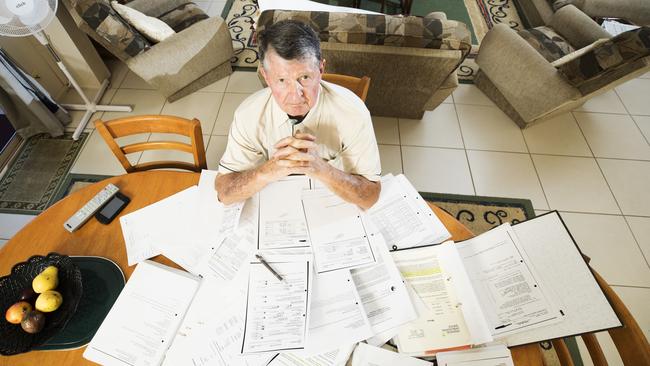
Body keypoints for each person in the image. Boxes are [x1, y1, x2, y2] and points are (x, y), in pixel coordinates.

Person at [215, 20, 381, 209]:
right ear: (266, 76)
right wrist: (266, 171)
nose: (295, 95)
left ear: (320, 70)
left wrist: (321, 169)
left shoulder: (354, 113)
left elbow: (370, 196)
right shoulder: (248, 115)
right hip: (275, 206)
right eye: (282, 80)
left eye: (304, 78)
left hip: (333, 203)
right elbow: (224, 192)